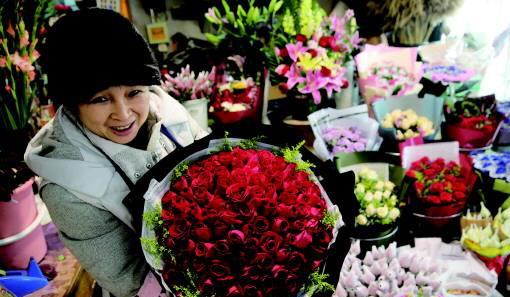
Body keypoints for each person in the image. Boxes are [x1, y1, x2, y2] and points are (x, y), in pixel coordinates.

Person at [24, 8, 208, 296]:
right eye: (101, 99)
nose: (123, 114)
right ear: (72, 104)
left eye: (134, 92)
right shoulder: (66, 186)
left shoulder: (167, 110)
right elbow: (129, 280)